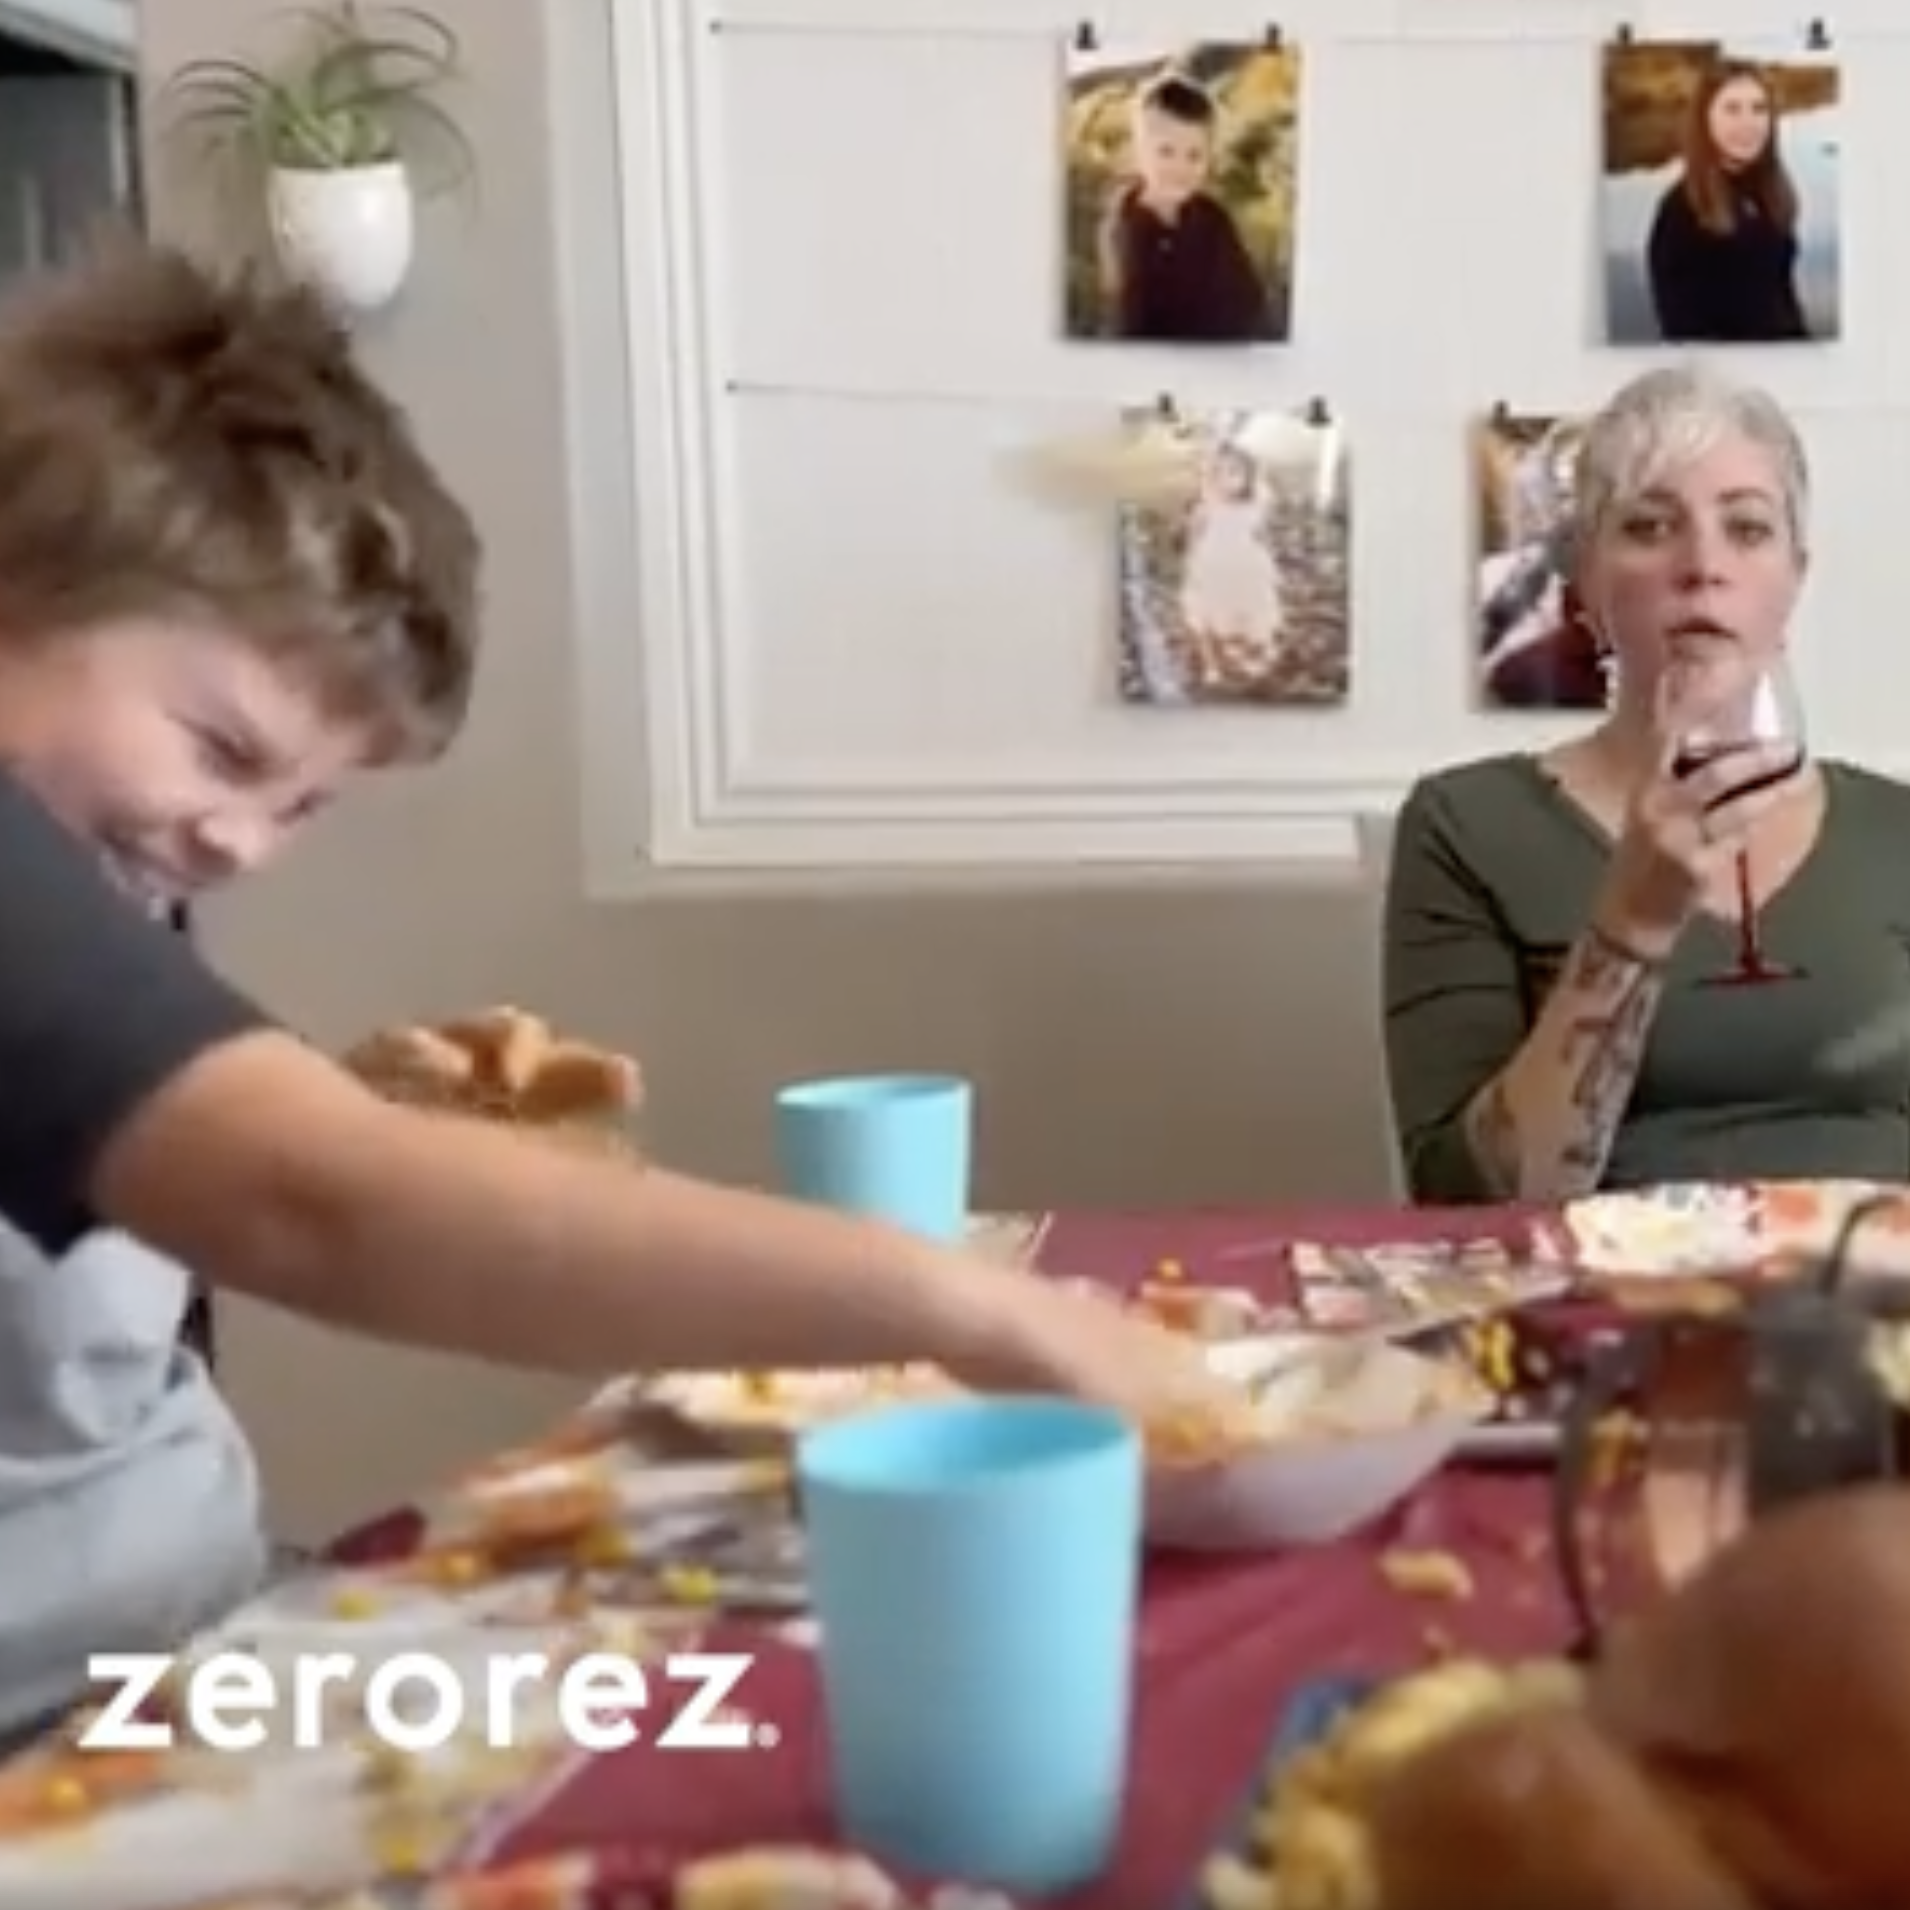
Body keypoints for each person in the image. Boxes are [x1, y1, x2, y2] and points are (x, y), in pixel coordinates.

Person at [0, 242, 1228, 1742]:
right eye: (223, 749)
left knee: (771, 1694)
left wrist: (359, 1104)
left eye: (304, 805)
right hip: (76, 1719)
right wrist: (970, 1306)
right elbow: (309, 1204)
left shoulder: (100, 868)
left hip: (219, 1632)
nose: (239, 842)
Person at [1384, 365, 1910, 1204]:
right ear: (1588, 580)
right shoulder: (1467, 825)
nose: (1703, 565)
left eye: (1746, 528)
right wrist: (1634, 919)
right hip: (1612, 1307)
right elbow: (1465, 1200)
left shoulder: (1895, 830)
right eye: (1650, 526)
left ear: (1795, 575)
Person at [1643, 61, 1809, 344]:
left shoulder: (1768, 193)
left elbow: (1781, 296)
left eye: (1759, 109)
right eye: (1732, 109)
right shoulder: (1680, 212)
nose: (1748, 123)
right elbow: (1683, 330)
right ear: (1705, 119)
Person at [1097, 69, 1266, 343]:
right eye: (1166, 152)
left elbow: (1246, 298)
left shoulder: (1213, 218)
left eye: (1194, 155)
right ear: (1140, 151)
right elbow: (1129, 319)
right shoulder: (1125, 226)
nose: (1180, 167)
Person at [1178, 440, 1283, 688]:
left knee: (1250, 613)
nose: (1226, 479)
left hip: (1245, 568)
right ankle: (1211, 664)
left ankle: (1251, 650)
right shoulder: (1206, 508)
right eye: (1218, 473)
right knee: (1205, 616)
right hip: (1212, 568)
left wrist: (1268, 565)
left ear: (1249, 476)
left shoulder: (1255, 506)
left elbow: (1261, 536)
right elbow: (1193, 539)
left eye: (1234, 472)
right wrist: (1192, 566)